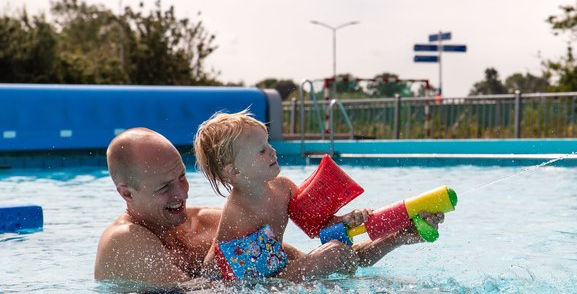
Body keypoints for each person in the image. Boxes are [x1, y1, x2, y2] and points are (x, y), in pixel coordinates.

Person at [95, 127, 443, 288]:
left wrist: (396, 237)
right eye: (164, 187)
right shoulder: (126, 241)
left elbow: (318, 264)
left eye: (182, 178)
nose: (180, 193)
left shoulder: (212, 222)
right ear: (126, 193)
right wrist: (306, 271)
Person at [192, 110, 369, 280]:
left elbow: (315, 226)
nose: (272, 151)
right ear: (234, 171)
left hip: (268, 258)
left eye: (268, 143)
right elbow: (253, 281)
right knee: (324, 262)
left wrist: (343, 221)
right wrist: (312, 264)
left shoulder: (283, 187)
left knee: (339, 258)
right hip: (223, 276)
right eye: (261, 150)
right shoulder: (239, 214)